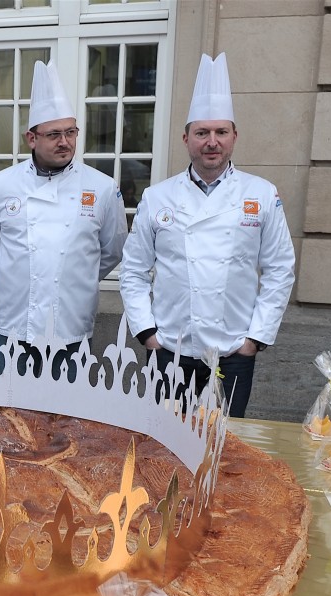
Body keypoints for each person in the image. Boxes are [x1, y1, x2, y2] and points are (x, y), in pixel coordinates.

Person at [119, 53, 295, 419]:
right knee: (163, 442)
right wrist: (148, 335)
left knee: (224, 448)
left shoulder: (262, 194)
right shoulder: (158, 197)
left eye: (220, 132)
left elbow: (280, 269)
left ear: (234, 136)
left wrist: (254, 340)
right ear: (187, 138)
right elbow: (133, 270)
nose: (211, 142)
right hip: (169, 348)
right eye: (202, 133)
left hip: (232, 352)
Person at [0, 60, 127, 380]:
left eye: (71, 132)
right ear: (31, 138)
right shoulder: (0, 185)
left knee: (68, 424)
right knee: (10, 417)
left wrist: (75, 276)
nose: (65, 141)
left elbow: (112, 250)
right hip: (15, 330)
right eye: (54, 134)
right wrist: (22, 273)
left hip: (73, 330)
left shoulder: (102, 188)